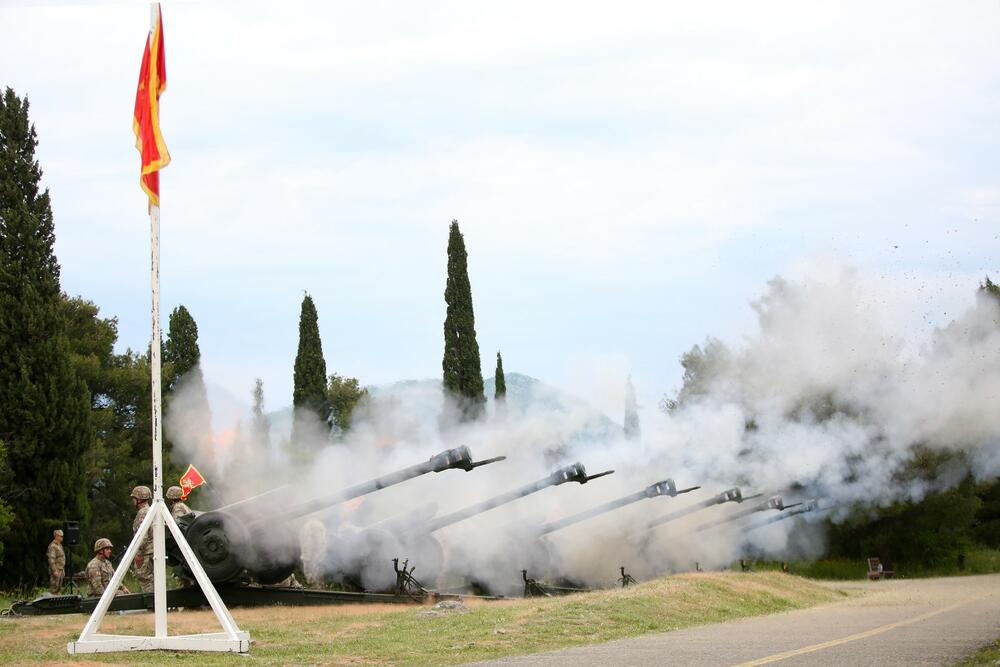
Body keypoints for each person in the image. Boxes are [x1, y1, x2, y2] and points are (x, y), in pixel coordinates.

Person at [131, 485, 154, 592]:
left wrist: (139, 553)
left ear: (139, 499)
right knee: (154, 579)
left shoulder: (142, 513)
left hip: (146, 552)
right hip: (153, 551)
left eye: (134, 498)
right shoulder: (152, 510)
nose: (132, 500)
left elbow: (142, 535)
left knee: (145, 578)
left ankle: (152, 604)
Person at [46, 529, 66, 594]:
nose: (62, 537)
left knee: (58, 588)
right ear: (56, 536)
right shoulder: (53, 546)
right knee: (54, 587)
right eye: (61, 536)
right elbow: (51, 559)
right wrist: (54, 570)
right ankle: (52, 601)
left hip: (60, 569)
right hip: (56, 569)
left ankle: (57, 598)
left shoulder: (59, 545)